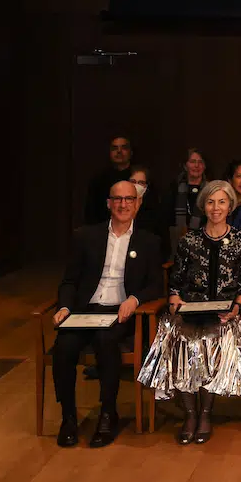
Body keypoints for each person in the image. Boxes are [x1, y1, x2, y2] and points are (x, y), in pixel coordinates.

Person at [138, 180, 241, 444]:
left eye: (221, 202)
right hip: (190, 309)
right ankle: (190, 413)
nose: (215, 208)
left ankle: (206, 413)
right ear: (203, 206)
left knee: (209, 340)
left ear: (230, 206)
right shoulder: (189, 240)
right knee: (177, 336)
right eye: (210, 202)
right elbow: (176, 281)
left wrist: (237, 307)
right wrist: (174, 299)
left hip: (226, 313)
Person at [52, 179, 162, 448]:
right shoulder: (85, 236)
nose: (123, 204)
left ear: (137, 204)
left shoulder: (149, 241)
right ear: (109, 203)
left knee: (105, 340)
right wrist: (65, 306)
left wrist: (134, 300)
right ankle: (68, 417)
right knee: (63, 346)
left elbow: (157, 285)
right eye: (118, 199)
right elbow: (69, 281)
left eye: (129, 199)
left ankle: (107, 413)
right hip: (85, 309)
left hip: (120, 311)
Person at [82, 135, 133, 225]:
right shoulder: (98, 180)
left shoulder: (139, 178)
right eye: (114, 148)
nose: (119, 151)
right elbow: (91, 211)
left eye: (123, 148)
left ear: (130, 152)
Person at [128, 164, 170, 262]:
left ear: (146, 186)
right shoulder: (119, 207)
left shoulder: (156, 211)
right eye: (133, 182)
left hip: (146, 260)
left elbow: (164, 247)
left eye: (141, 183)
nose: (137, 185)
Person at [168, 148, 208, 236]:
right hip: (177, 238)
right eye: (192, 161)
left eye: (200, 162)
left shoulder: (210, 190)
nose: (196, 165)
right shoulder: (174, 188)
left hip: (204, 237)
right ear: (185, 166)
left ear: (204, 166)